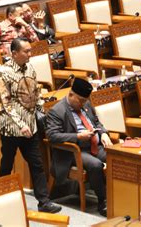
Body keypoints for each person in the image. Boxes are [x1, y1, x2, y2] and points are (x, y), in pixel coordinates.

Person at [0, 38, 61, 213]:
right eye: (26, 51)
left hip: (30, 126)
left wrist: (41, 109)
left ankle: (44, 202)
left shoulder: (30, 67)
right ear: (14, 53)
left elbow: (35, 91)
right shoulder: (3, 72)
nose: (30, 54)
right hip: (11, 127)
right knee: (7, 163)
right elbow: (6, 103)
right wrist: (20, 124)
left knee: (37, 163)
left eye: (30, 51)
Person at [46, 77, 113, 217]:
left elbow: (96, 123)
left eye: (85, 101)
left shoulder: (86, 104)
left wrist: (104, 133)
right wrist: (77, 136)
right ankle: (103, 200)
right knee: (96, 165)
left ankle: (116, 196)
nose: (84, 104)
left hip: (94, 145)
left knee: (116, 157)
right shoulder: (56, 111)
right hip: (74, 151)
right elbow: (52, 136)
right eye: (81, 101)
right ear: (71, 95)